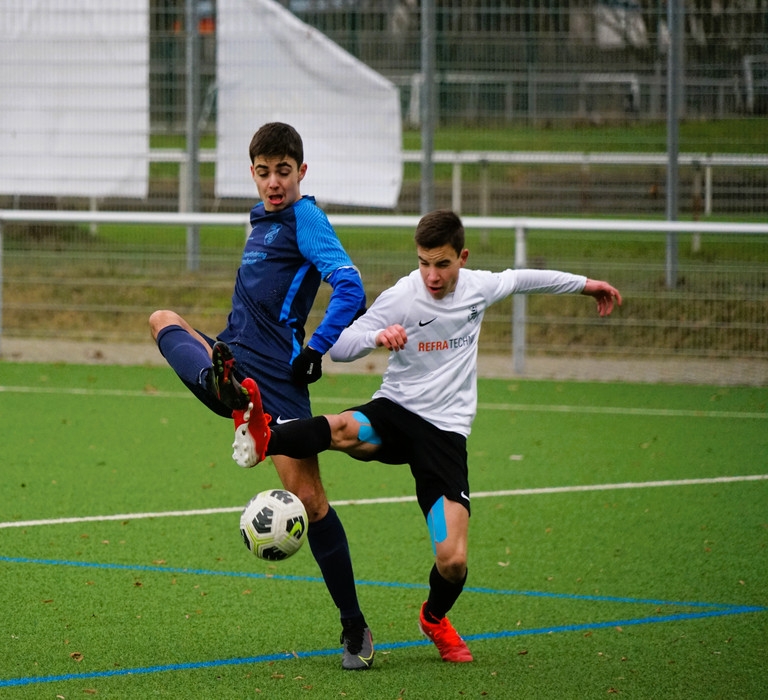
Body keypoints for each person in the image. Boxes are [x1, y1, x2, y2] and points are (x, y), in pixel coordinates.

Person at [230, 208, 623, 663]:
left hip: (444, 435)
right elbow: (339, 347)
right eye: (423, 263)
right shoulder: (403, 294)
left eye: (442, 264)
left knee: (452, 560)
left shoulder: (479, 288)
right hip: (394, 414)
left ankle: (434, 617)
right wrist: (379, 336)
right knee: (340, 427)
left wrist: (586, 285)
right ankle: (265, 438)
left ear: (462, 258)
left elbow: (526, 279)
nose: (432, 275)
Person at [148, 122, 375, 670]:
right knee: (163, 319)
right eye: (264, 172)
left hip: (277, 378)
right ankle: (224, 389)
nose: (274, 182)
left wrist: (316, 348)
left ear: (301, 171)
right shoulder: (260, 219)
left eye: (284, 172)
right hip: (234, 357)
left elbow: (351, 287)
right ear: (252, 173)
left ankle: (355, 628)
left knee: (312, 503)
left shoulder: (305, 219)